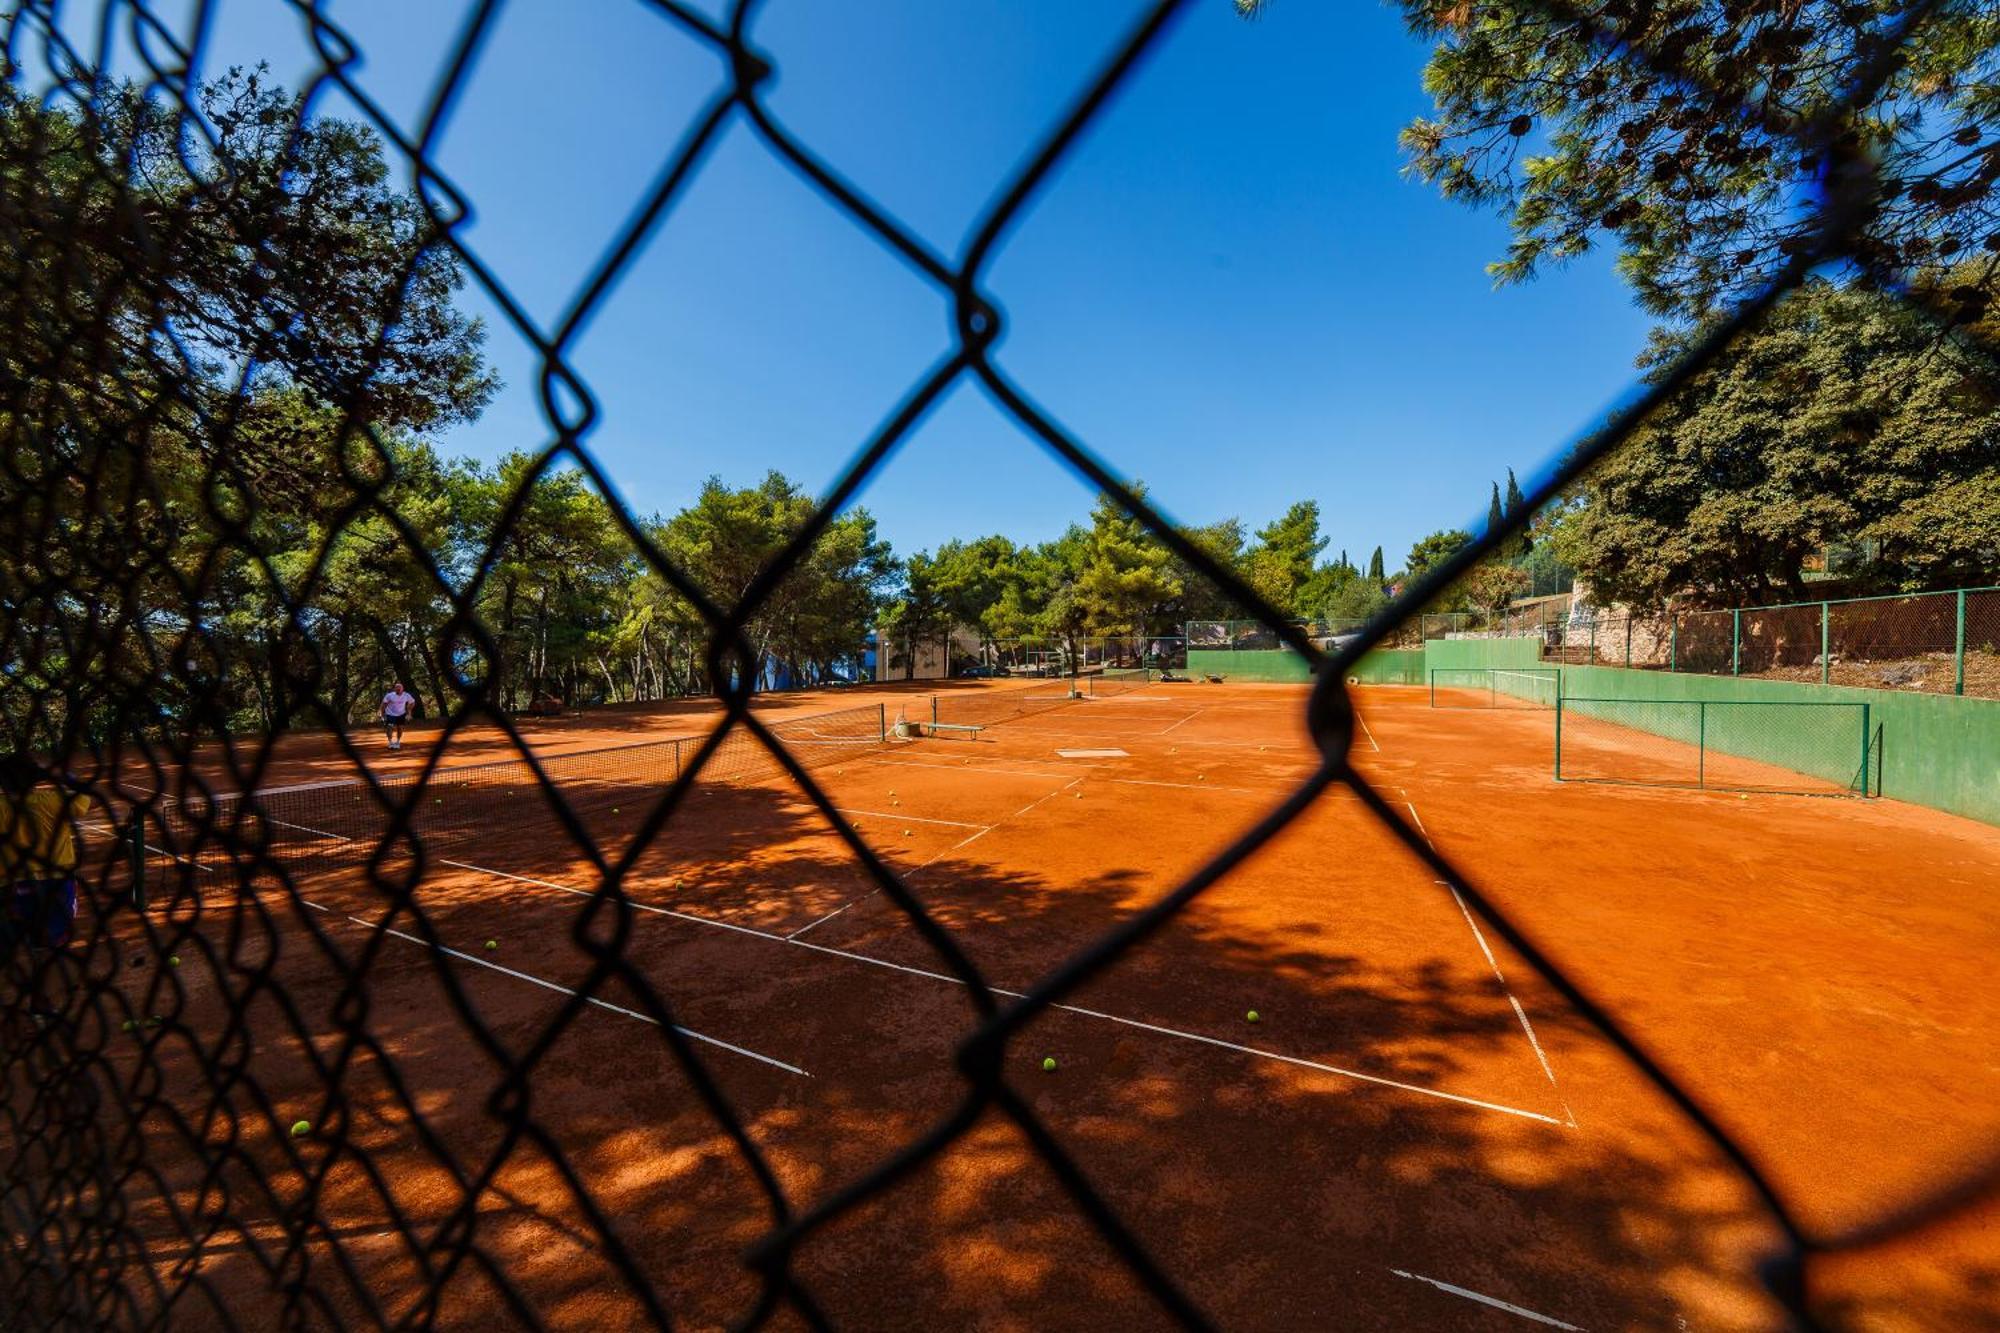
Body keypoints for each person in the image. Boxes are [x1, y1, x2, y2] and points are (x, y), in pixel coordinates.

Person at [0, 760, 91, 1024]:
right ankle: (40, 1005)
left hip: (10, 886)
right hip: (55, 884)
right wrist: (58, 772)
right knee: (47, 947)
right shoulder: (54, 801)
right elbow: (83, 791)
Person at [380, 681, 417, 752]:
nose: (398, 689)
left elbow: (412, 702)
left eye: (399, 688)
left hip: (401, 714)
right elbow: (384, 704)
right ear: (394, 689)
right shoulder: (390, 695)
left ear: (402, 689)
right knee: (389, 726)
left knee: (400, 728)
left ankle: (397, 742)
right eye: (396, 688)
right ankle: (390, 742)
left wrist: (409, 712)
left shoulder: (406, 695)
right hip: (390, 713)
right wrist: (381, 713)